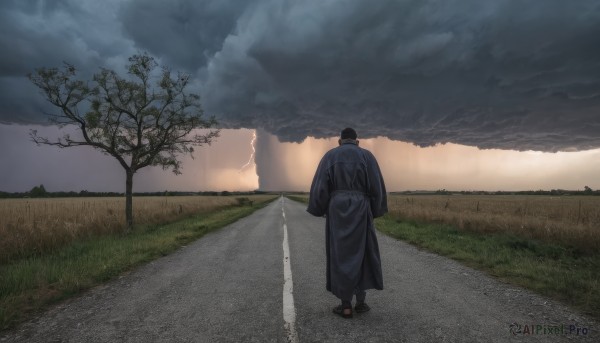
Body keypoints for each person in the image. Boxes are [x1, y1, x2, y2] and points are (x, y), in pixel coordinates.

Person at [307, 127, 388, 319]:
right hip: (362, 208)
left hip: (337, 209)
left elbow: (320, 186)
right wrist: (375, 211)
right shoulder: (367, 156)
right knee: (363, 253)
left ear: (339, 141)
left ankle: (345, 305)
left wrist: (319, 209)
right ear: (357, 141)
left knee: (340, 254)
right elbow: (377, 187)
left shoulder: (330, 156)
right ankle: (360, 302)